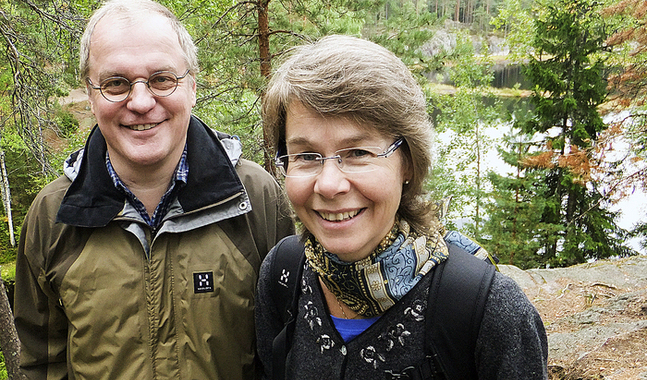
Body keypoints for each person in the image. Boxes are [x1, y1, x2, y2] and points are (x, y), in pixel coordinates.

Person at [13, 1, 294, 379]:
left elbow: (285, 352)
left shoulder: (255, 198)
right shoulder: (53, 214)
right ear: (91, 94)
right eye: (116, 83)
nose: (141, 102)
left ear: (192, 86)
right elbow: (42, 364)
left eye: (162, 79)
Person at [255, 35, 548, 379]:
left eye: (358, 153)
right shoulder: (282, 275)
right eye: (306, 156)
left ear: (407, 163)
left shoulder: (487, 310)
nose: (329, 184)